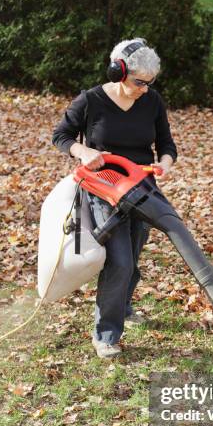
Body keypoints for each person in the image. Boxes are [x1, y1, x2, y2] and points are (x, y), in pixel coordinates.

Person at [52, 38, 177, 358]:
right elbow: (61, 136)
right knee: (119, 260)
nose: (145, 89)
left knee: (132, 257)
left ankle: (122, 305)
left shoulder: (152, 101)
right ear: (118, 72)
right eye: (139, 82)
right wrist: (83, 151)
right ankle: (106, 333)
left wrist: (164, 164)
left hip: (142, 187)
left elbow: (166, 143)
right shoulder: (91, 100)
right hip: (102, 187)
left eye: (151, 83)